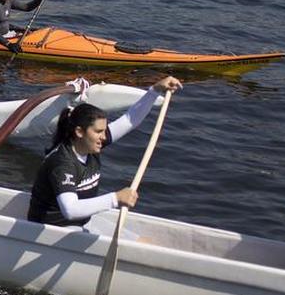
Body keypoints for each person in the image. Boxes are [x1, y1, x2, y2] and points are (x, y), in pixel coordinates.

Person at [28, 76, 183, 228]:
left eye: (104, 130)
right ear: (79, 132)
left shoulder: (91, 144)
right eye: (98, 131)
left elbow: (130, 120)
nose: (104, 137)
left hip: (79, 223)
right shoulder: (62, 163)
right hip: (52, 228)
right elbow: (70, 210)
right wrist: (115, 198)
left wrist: (155, 90)